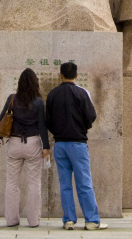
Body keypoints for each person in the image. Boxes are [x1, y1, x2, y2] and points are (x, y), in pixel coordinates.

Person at [45, 61, 106, 230]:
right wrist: (81, 128)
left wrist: (58, 131)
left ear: (60, 75)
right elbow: (91, 116)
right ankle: (92, 220)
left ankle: (69, 220)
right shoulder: (81, 93)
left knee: (65, 184)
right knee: (84, 183)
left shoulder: (52, 94)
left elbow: (48, 120)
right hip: (78, 143)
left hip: (60, 144)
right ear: (76, 75)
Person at [0, 68, 50, 228]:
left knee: (12, 183)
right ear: (35, 84)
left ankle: (12, 220)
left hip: (14, 143)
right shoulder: (39, 102)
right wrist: (46, 147)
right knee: (34, 183)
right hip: (33, 143)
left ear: (20, 83)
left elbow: (1, 119)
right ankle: (33, 221)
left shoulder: (12, 98)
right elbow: (42, 126)